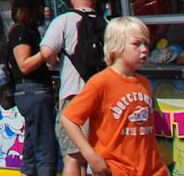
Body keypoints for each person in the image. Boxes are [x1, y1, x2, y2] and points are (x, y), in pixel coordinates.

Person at [58, 18, 164, 176]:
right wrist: (91, 157)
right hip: (115, 170)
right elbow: (69, 118)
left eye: (146, 44)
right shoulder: (101, 82)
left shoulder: (145, 84)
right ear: (117, 46)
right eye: (136, 44)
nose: (144, 50)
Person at [41, 0, 105, 176]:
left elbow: (46, 51)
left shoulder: (64, 20)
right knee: (92, 154)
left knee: (72, 158)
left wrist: (55, 63)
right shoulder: (106, 22)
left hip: (73, 94)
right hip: (100, 95)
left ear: (71, 0)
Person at [5, 0, 60, 176]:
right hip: (32, 92)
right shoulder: (21, 32)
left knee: (30, 147)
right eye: (40, 6)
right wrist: (45, 53)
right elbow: (24, 65)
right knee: (45, 150)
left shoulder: (28, 31)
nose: (43, 11)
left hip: (31, 93)